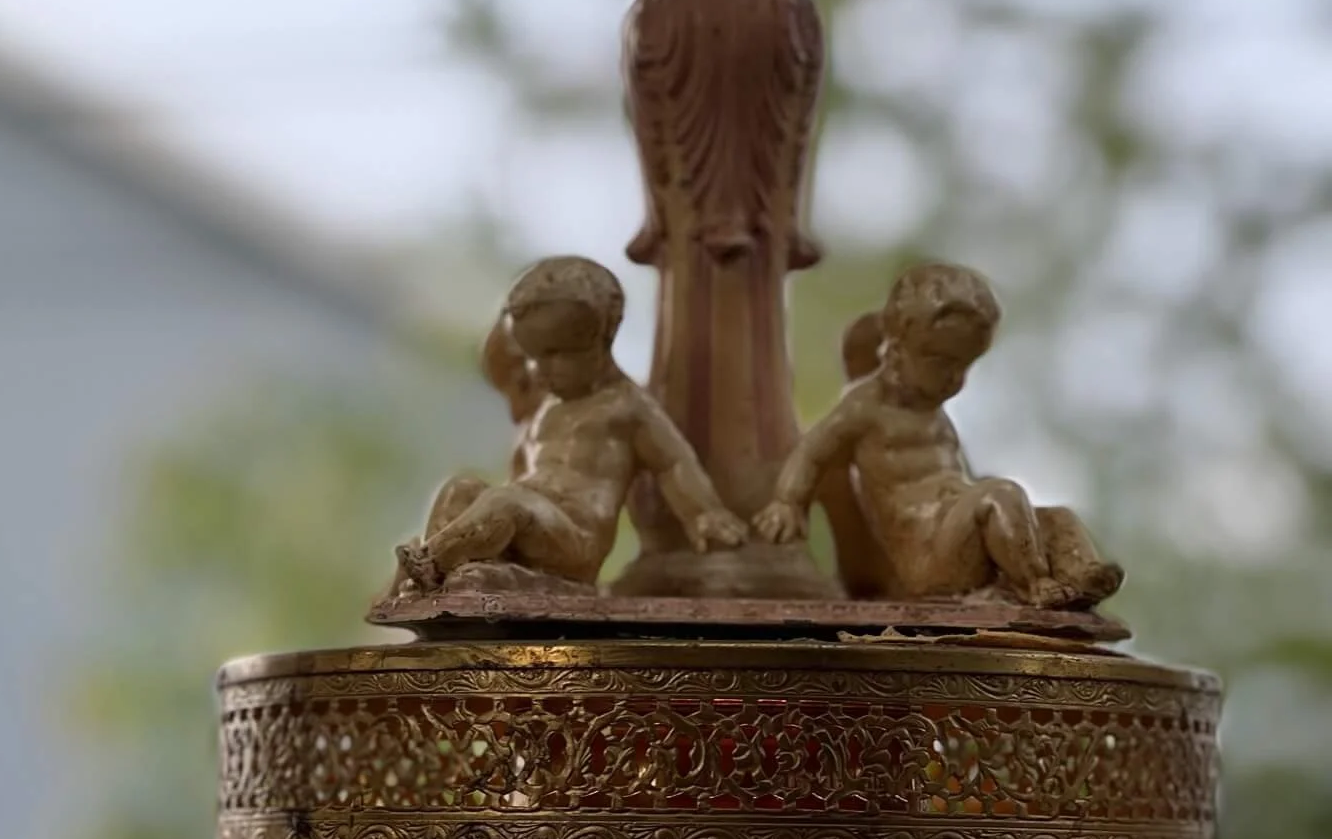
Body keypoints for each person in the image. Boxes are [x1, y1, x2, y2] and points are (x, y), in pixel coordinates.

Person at [754, 262, 1123, 608]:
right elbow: (813, 451)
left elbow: (964, 480)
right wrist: (788, 502)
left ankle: (1081, 575)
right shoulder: (866, 408)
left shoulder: (934, 415)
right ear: (897, 350)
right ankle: (1036, 585)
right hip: (928, 555)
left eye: (963, 366)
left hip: (960, 532)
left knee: (1056, 516)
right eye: (941, 363)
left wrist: (981, 497)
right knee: (1001, 495)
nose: (954, 379)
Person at [396, 256, 746, 592]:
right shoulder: (548, 408)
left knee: (507, 502)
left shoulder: (626, 407)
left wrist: (704, 513)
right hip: (531, 521)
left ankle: (430, 566)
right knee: (462, 488)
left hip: (576, 539)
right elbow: (520, 472)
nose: (539, 370)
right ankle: (438, 574)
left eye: (555, 355)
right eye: (533, 357)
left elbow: (673, 463)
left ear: (601, 341)